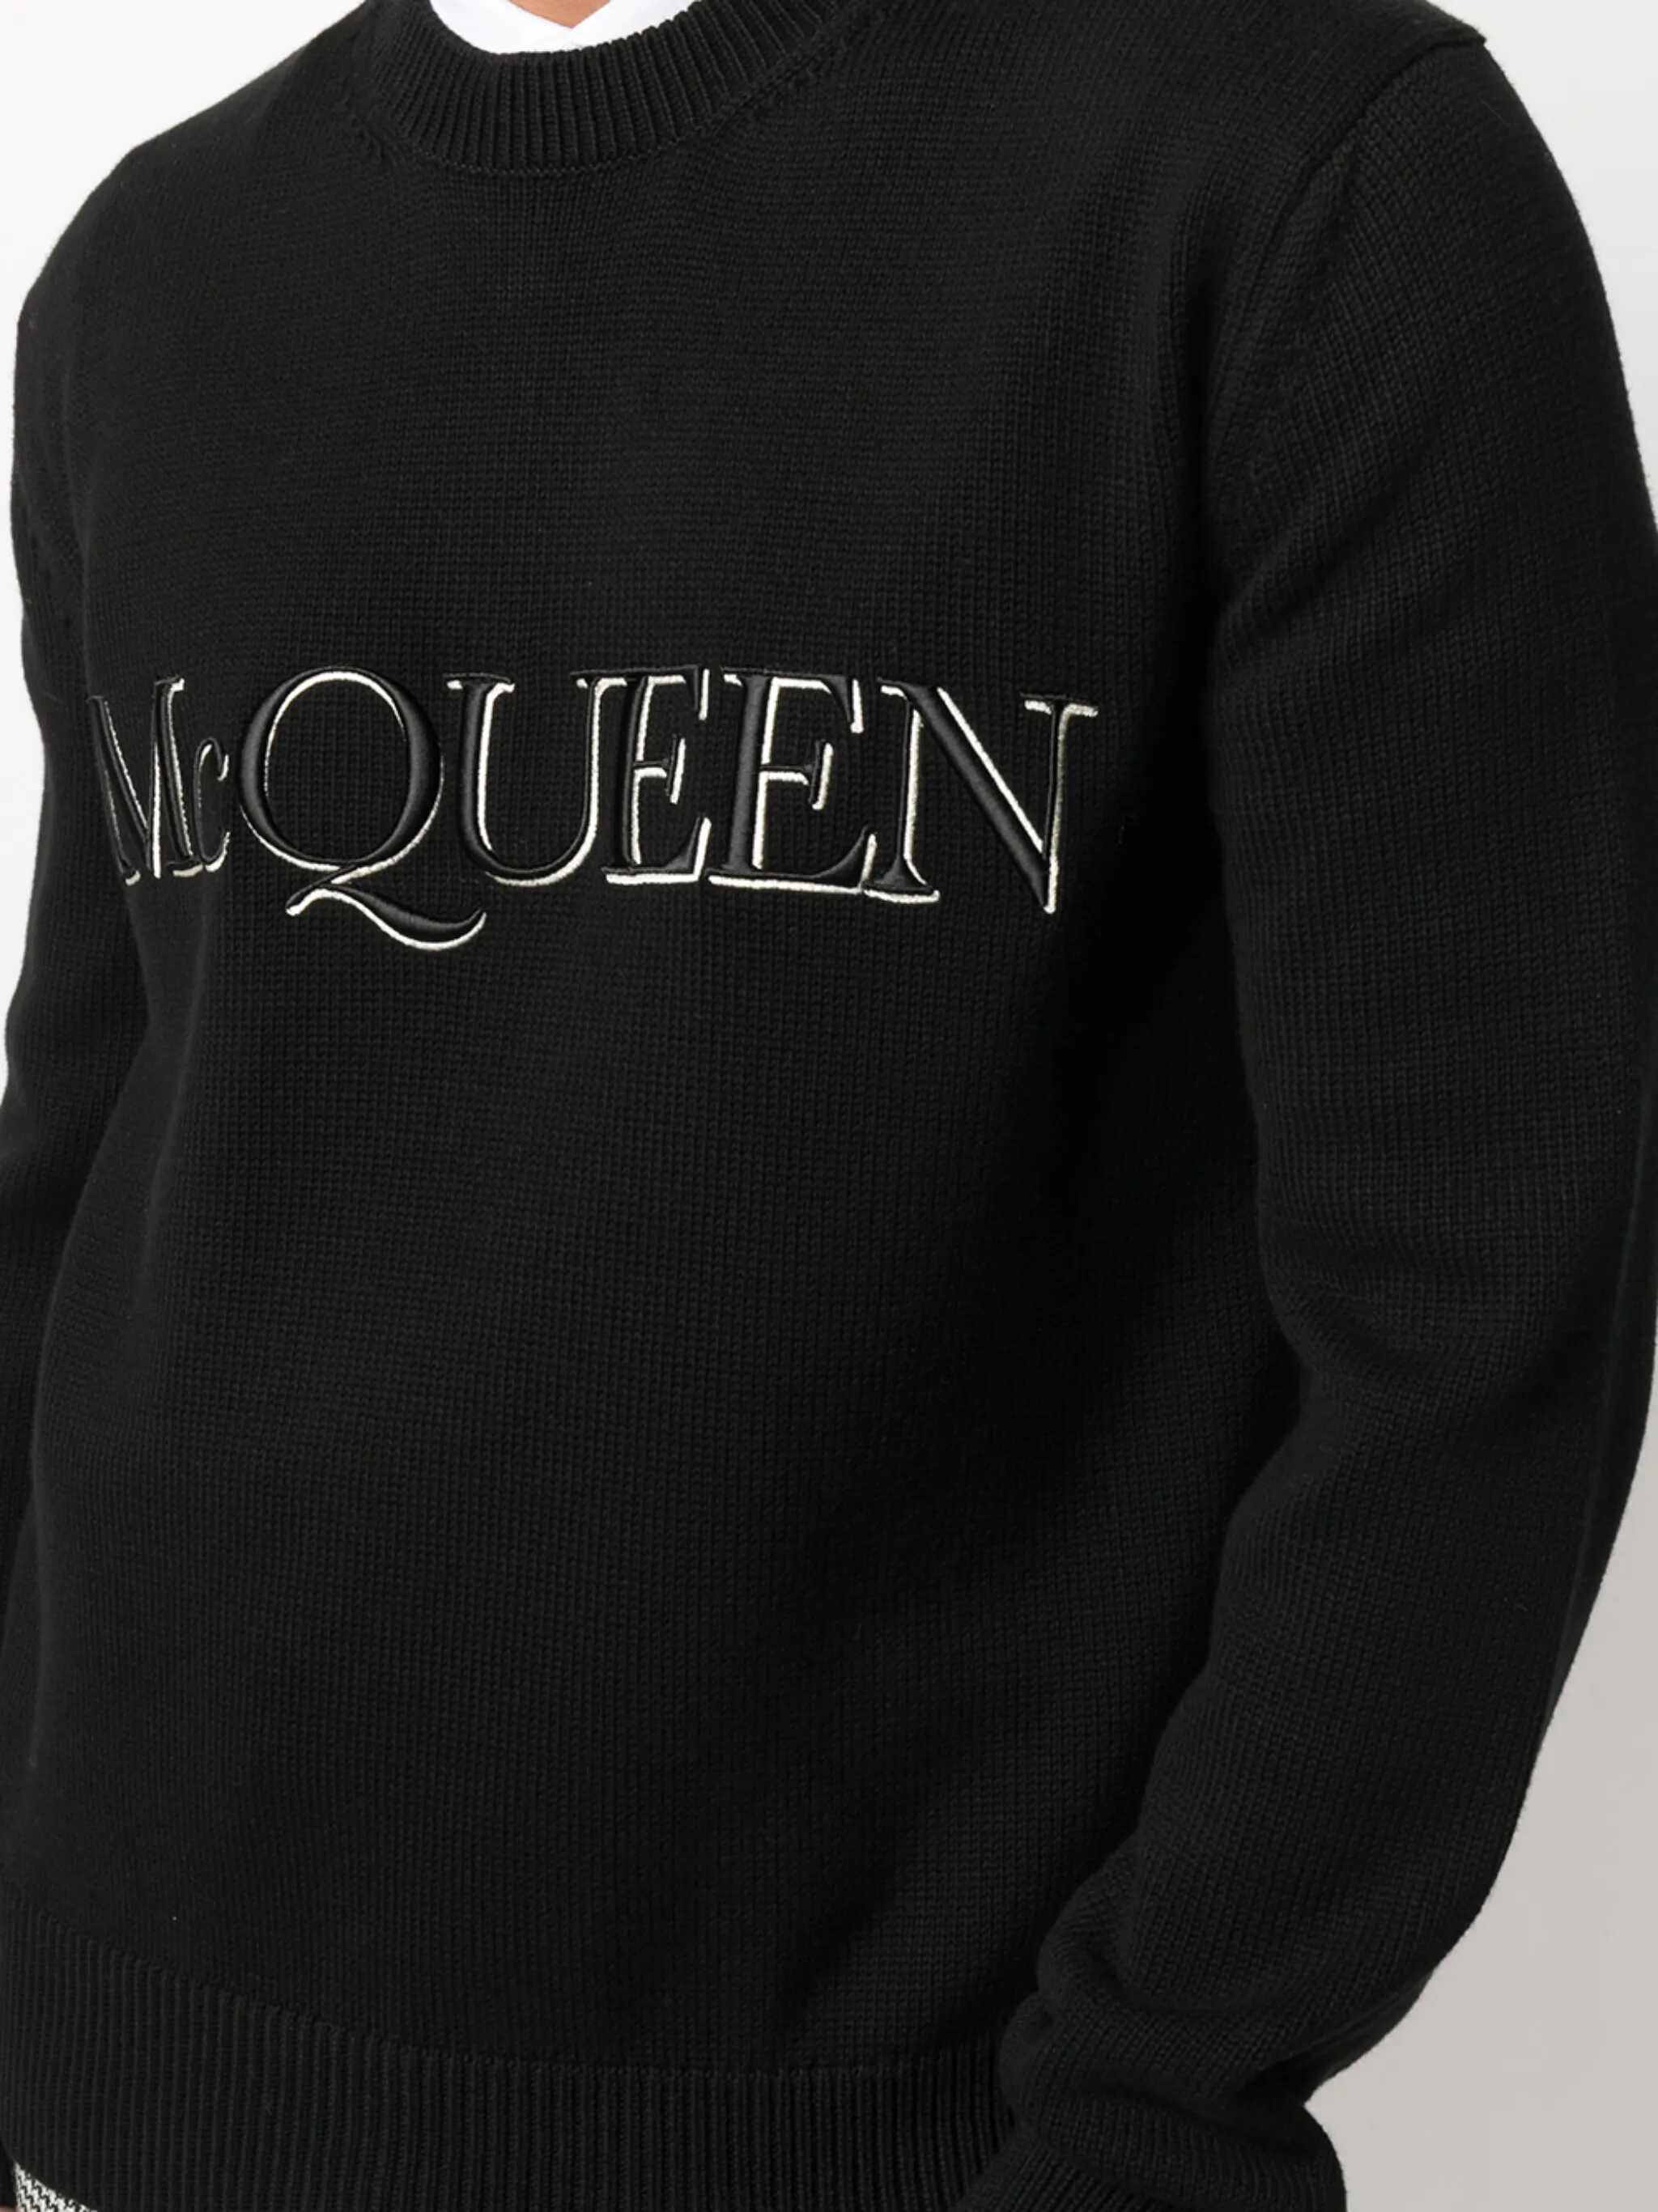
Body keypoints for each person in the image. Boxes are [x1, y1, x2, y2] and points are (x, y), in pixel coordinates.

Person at [2, 0, 1655, 2206]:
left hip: (908, 2148)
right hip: (95, 2082)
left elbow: (1478, 1306)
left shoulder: (1314, 176)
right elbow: (82, 1164)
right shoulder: (147, 269)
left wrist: (1154, 2114)